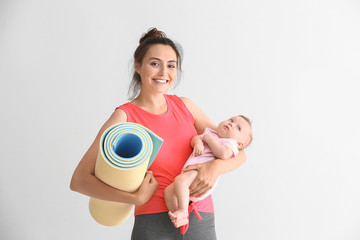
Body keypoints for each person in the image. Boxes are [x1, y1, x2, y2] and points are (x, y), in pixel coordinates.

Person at [70, 27, 247, 240]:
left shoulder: (186, 106)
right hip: (153, 222)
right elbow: (79, 180)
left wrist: (215, 168)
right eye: (155, 64)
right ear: (138, 65)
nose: (164, 73)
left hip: (201, 218)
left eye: (171, 66)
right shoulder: (125, 116)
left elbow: (240, 152)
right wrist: (135, 198)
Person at [164, 115, 252, 231]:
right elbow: (195, 138)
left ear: (239, 144)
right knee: (168, 192)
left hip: (202, 173)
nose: (231, 124)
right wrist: (198, 143)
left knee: (180, 181)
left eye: (238, 128)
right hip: (191, 171)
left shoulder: (230, 144)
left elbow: (223, 154)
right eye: (231, 120)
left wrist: (209, 139)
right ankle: (180, 217)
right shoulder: (211, 133)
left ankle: (183, 210)